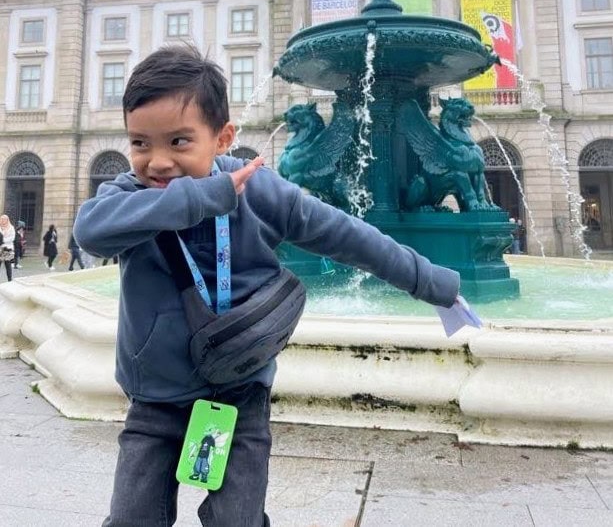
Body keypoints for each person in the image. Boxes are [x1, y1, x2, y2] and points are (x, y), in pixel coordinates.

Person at [74, 45, 461, 527]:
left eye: (178, 142)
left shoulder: (259, 190)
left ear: (223, 138)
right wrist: (201, 197)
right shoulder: (128, 198)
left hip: (238, 392)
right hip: (155, 395)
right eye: (140, 143)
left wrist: (431, 282)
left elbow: (347, 235)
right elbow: (89, 230)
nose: (157, 162)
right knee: (133, 517)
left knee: (237, 518)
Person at [0, 215, 15, 282]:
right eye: (1, 219)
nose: (3, 220)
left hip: (8, 249)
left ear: (7, 220)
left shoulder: (11, 228)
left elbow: (12, 238)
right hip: (0, 249)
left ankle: (10, 280)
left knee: (8, 265)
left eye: (4, 219)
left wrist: (3, 240)